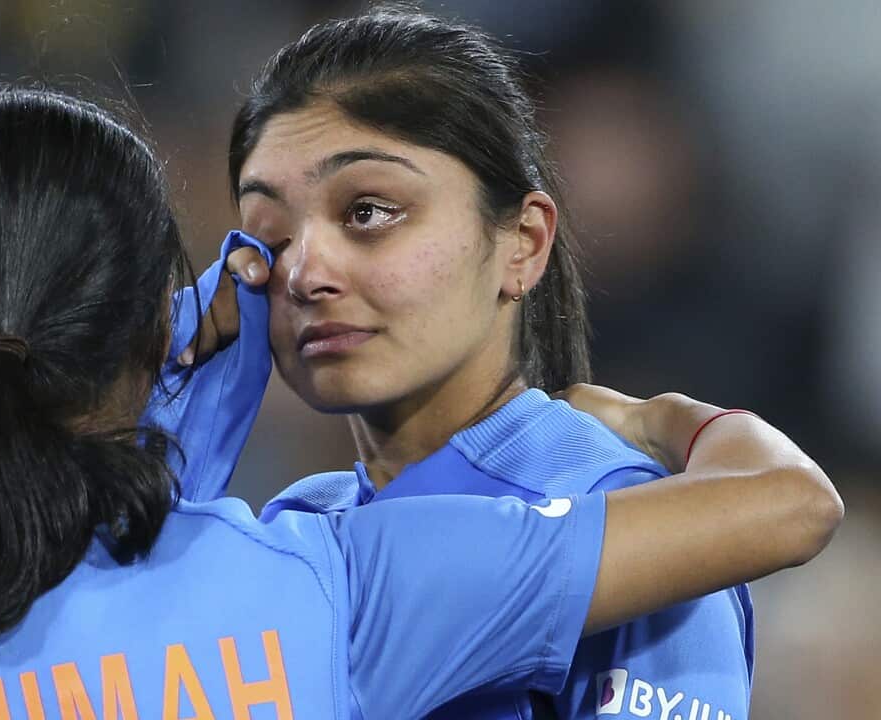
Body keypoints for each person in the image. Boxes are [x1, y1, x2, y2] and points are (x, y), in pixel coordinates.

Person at [0, 83, 841, 720]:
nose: (305, 272)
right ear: (161, 320)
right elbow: (787, 506)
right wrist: (661, 420)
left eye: (366, 214)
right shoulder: (321, 587)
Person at [200, 7, 766, 720]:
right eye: (271, 237)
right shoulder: (292, 523)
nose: (306, 272)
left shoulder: (633, 517)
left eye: (369, 211)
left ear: (523, 243)